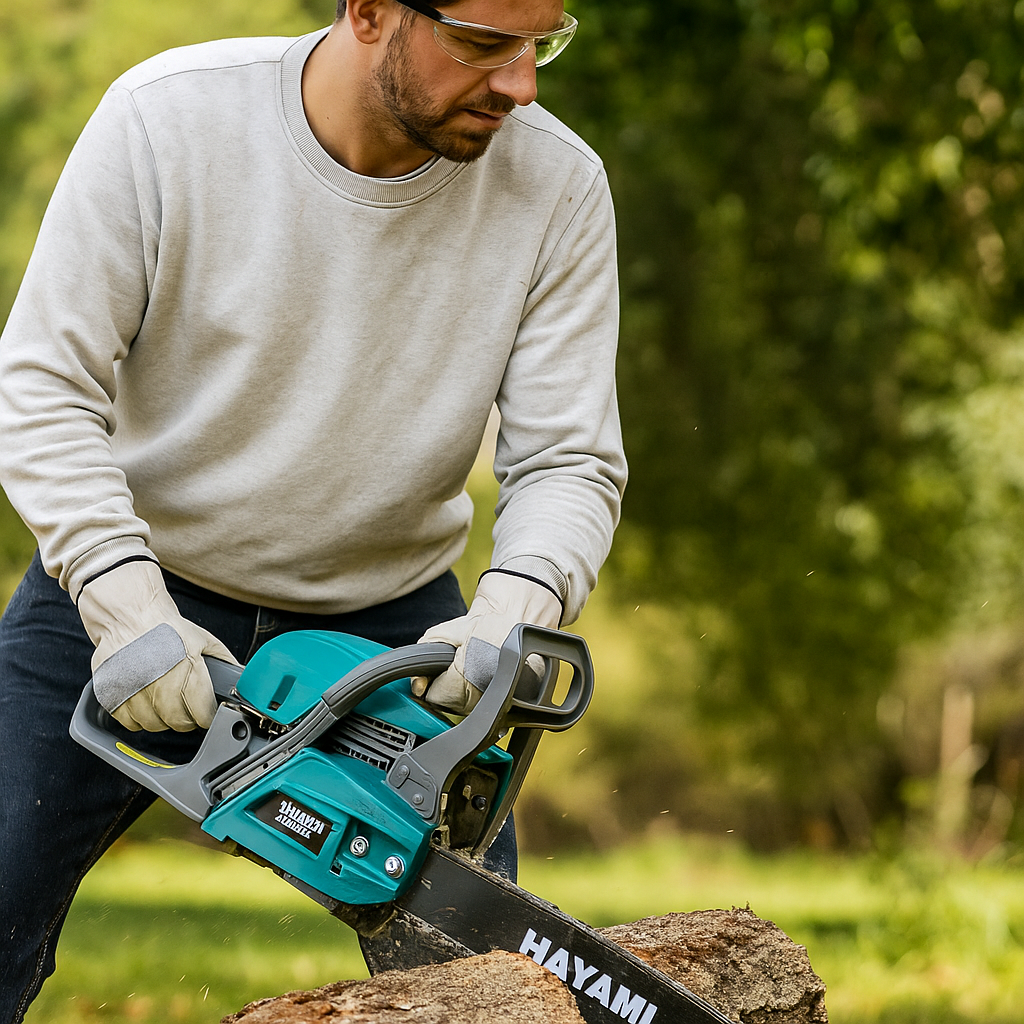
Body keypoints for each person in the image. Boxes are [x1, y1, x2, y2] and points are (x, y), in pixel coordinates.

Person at [0, 0, 625, 1017]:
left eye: (542, 43)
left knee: (482, 988)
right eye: (483, 45)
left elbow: (568, 458)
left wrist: (515, 605)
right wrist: (120, 602)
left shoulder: (557, 185)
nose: (522, 85)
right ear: (369, 11)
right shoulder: (168, 121)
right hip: (126, 600)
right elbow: (41, 386)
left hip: (391, 634)